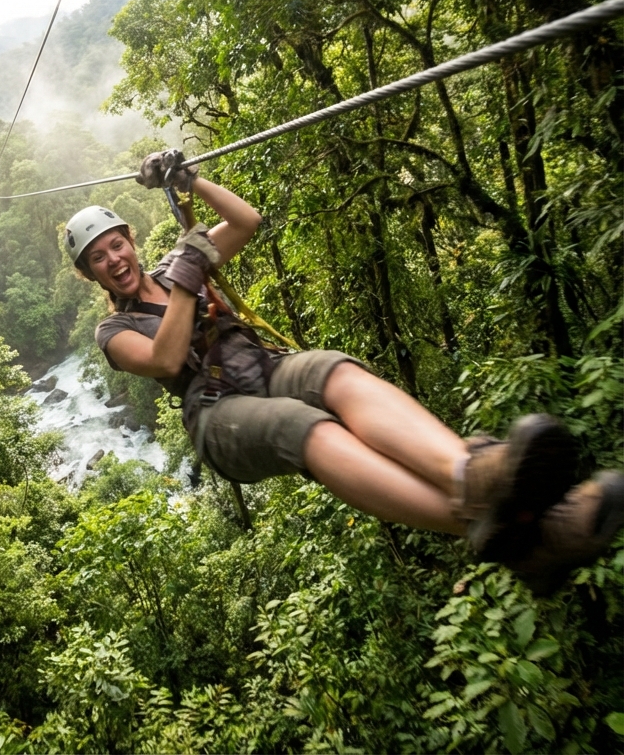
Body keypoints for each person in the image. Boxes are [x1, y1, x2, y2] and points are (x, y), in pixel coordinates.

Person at [63, 150, 624, 594]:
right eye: (100, 259)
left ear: (132, 241)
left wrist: (191, 182)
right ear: (93, 276)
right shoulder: (113, 334)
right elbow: (163, 358)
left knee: (336, 373)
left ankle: (474, 478)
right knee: (298, 426)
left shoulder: (174, 262)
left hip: (260, 366)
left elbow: (246, 220)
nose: (115, 261)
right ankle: (497, 523)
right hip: (216, 413)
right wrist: (190, 268)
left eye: (117, 246)